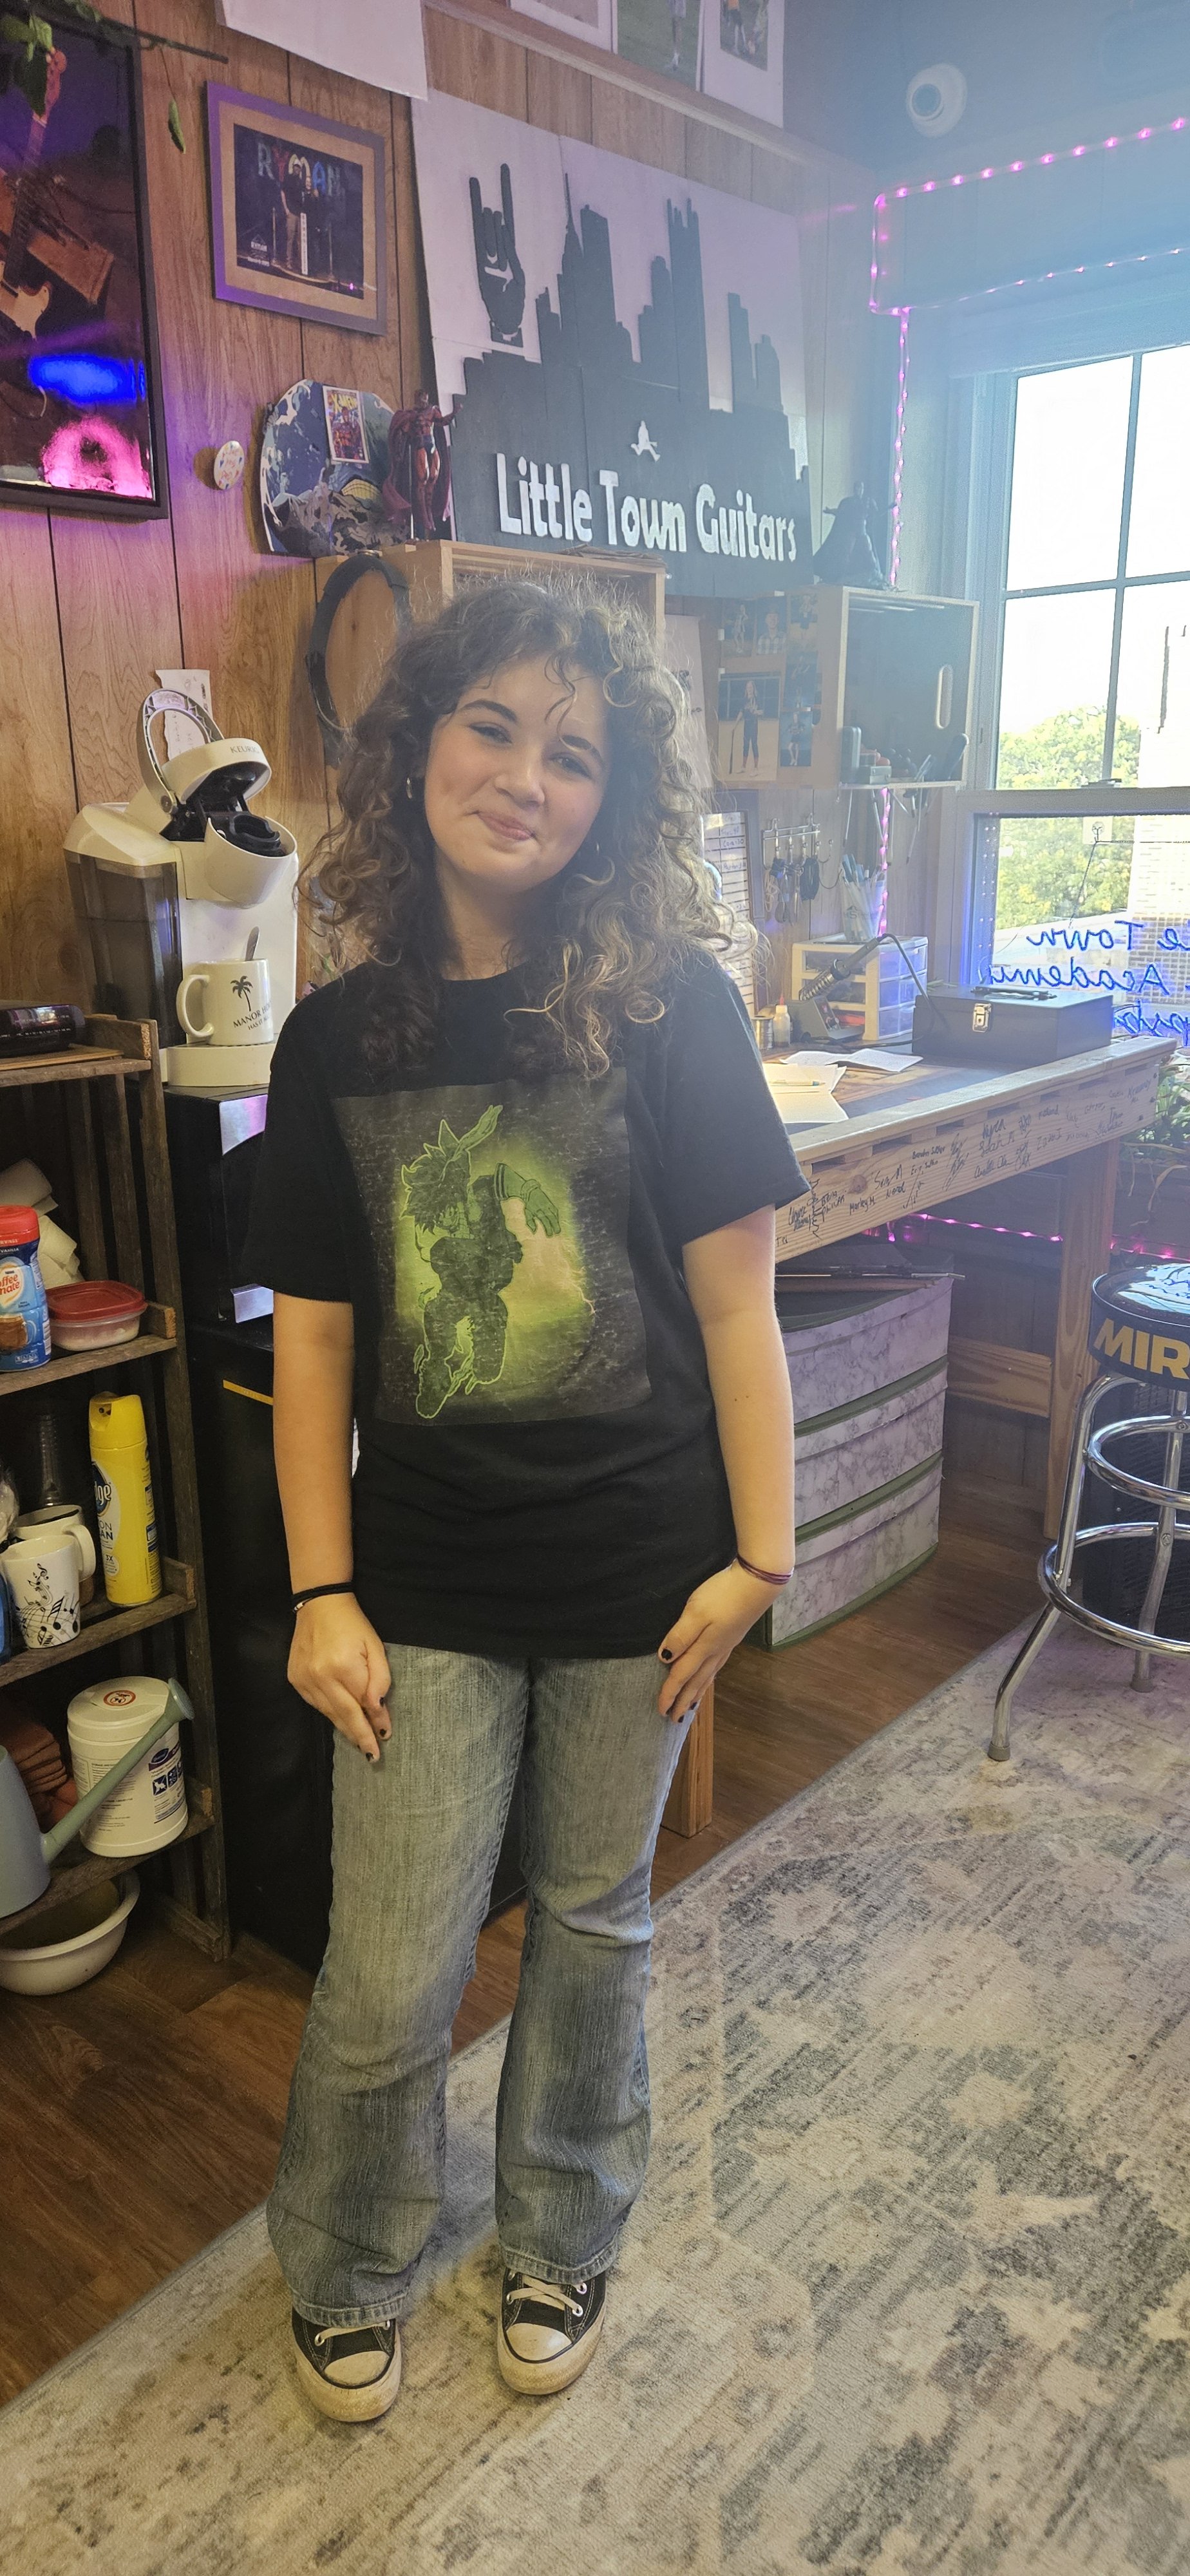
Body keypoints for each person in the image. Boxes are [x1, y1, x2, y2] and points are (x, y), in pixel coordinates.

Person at [244, 578, 804, 2424]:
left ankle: (560, 2229)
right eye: (493, 727)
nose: (526, 777)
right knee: (392, 1959)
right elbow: (314, 1348)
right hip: (419, 1582)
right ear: (413, 753)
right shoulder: (336, 1046)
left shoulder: (678, 1012)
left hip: (642, 1573)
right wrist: (321, 1592)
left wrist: (761, 1555)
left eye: (576, 752)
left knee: (595, 1924)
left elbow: (737, 1304)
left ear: (616, 802)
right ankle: (348, 2254)